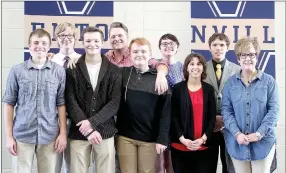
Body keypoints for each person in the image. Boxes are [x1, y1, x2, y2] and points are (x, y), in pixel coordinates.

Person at [3, 28, 67, 173]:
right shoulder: (17, 71)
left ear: (49, 46)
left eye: (44, 43)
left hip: (49, 135)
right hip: (22, 135)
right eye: (36, 42)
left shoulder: (59, 71)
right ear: (29, 46)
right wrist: (9, 137)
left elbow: (61, 104)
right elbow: (9, 104)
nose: (40, 46)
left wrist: (63, 133)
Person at [65, 26, 122, 173]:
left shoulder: (114, 71)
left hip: (105, 131)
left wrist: (91, 123)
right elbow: (70, 101)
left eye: (96, 40)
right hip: (79, 132)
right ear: (82, 42)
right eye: (88, 40)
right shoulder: (72, 69)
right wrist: (86, 127)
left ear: (102, 42)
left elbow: (114, 103)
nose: (92, 44)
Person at [221, 36, 279, 173]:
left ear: (257, 57)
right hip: (237, 143)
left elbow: (274, 111)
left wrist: (259, 134)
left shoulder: (269, 81)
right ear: (238, 58)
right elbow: (226, 111)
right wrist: (236, 134)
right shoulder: (230, 84)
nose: (247, 58)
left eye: (251, 54)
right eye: (243, 55)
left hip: (263, 142)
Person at [116, 37, 171, 173]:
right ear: (130, 54)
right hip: (125, 138)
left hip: (150, 139)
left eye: (143, 51)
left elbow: (166, 113)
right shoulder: (122, 73)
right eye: (135, 52)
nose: (139, 54)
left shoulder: (160, 79)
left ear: (150, 55)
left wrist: (162, 138)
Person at [170, 53, 217, 173]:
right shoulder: (178, 88)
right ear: (186, 68)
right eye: (192, 64)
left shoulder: (209, 89)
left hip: (204, 147)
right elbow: (174, 117)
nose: (195, 67)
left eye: (199, 64)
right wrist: (183, 139)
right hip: (180, 146)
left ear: (203, 68)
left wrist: (202, 139)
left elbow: (212, 118)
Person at [204, 33, 240, 173]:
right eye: (215, 45)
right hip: (208, 126)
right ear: (209, 48)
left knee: (230, 167)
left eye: (222, 45)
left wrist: (225, 119)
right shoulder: (201, 68)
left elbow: (240, 99)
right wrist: (212, 118)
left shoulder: (238, 70)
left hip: (230, 126)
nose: (218, 48)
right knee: (207, 166)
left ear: (228, 48)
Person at [50, 22, 81, 173]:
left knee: (73, 166)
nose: (66, 38)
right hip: (53, 120)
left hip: (76, 121)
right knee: (52, 165)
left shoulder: (83, 60)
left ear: (75, 38)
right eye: (62, 35)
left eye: (70, 35)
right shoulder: (50, 61)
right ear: (57, 38)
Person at [155, 33, 183, 173]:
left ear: (177, 47)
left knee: (173, 165)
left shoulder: (184, 68)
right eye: (164, 43)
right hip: (157, 121)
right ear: (159, 47)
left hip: (177, 121)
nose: (168, 46)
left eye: (172, 43)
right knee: (158, 166)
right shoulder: (154, 66)